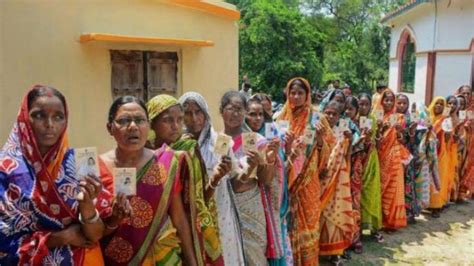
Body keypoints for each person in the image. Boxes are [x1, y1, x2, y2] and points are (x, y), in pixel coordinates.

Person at [0, 85, 112, 265]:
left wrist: (86, 204)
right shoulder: (6, 169)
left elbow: (95, 235)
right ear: (24, 118)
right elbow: (3, 242)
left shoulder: (79, 164)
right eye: (39, 115)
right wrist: (59, 238)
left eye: (58, 117)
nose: (49, 124)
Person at [99, 95, 197, 265]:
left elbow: (179, 219)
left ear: (149, 125)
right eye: (123, 121)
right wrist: (113, 219)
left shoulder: (166, 163)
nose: (133, 127)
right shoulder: (97, 168)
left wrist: (192, 262)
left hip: (163, 258)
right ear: (110, 128)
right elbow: (89, 226)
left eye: (140, 120)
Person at [147, 94, 226, 265]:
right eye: (168, 121)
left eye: (179, 120)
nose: (176, 126)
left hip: (189, 225)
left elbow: (199, 199)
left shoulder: (187, 149)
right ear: (152, 122)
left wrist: (216, 179)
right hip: (152, 230)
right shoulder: (143, 153)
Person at [178, 92, 241, 265]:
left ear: (206, 113)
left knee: (223, 251)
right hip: (190, 211)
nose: (194, 118)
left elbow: (235, 175)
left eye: (198, 112)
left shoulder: (220, 142)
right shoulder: (177, 146)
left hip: (220, 206)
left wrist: (226, 171)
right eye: (187, 113)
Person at [219, 91, 280, 265]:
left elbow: (266, 180)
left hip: (250, 206)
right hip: (224, 204)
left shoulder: (257, 141)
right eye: (231, 108)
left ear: (245, 112)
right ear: (222, 111)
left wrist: (266, 160)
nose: (235, 113)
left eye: (240, 109)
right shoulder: (218, 141)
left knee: (253, 255)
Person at [277, 77, 322, 265]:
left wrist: (319, 140)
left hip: (308, 179)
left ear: (307, 95)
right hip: (287, 180)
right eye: (292, 93)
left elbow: (328, 148)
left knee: (308, 221)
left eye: (300, 93)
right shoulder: (281, 117)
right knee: (290, 223)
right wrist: (286, 146)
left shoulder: (316, 118)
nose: (295, 97)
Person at [246, 96, 293, 265]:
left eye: (261, 114)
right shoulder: (244, 137)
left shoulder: (272, 134)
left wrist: (282, 151)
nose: (257, 118)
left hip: (273, 198)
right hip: (251, 198)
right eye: (252, 114)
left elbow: (282, 165)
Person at [318, 100, 355, 264]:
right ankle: (318, 249)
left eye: (334, 114)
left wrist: (350, 140)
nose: (331, 116)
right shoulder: (318, 131)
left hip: (338, 180)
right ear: (323, 113)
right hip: (320, 179)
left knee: (336, 214)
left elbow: (347, 156)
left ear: (340, 116)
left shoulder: (343, 133)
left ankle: (335, 252)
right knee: (321, 214)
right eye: (328, 113)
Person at [374, 88, 409, 230]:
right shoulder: (376, 115)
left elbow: (401, 139)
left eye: (391, 100)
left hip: (394, 155)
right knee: (381, 186)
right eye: (386, 100)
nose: (388, 103)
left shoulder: (398, 117)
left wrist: (400, 132)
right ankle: (381, 218)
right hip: (379, 155)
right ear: (381, 101)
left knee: (394, 186)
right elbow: (375, 136)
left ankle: (392, 220)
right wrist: (381, 128)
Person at [357, 93, 383, 242]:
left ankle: (373, 228)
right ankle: (358, 229)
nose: (364, 107)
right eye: (361, 104)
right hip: (357, 160)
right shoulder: (353, 121)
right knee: (358, 195)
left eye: (367, 104)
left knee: (371, 193)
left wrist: (378, 133)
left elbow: (378, 145)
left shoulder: (373, 120)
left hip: (371, 161)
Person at [427, 97, 457, 218]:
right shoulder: (428, 118)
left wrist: (448, 135)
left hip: (441, 153)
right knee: (428, 179)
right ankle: (428, 204)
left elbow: (448, 138)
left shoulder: (446, 120)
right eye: (436, 103)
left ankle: (437, 206)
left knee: (439, 179)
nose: (438, 106)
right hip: (428, 153)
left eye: (441, 104)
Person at [395, 94, 420, 224]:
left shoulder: (411, 118)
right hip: (393, 155)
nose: (401, 106)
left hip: (407, 156)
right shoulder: (392, 117)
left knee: (408, 182)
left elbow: (415, 140)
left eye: (404, 103)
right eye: (399, 103)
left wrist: (409, 132)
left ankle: (409, 212)